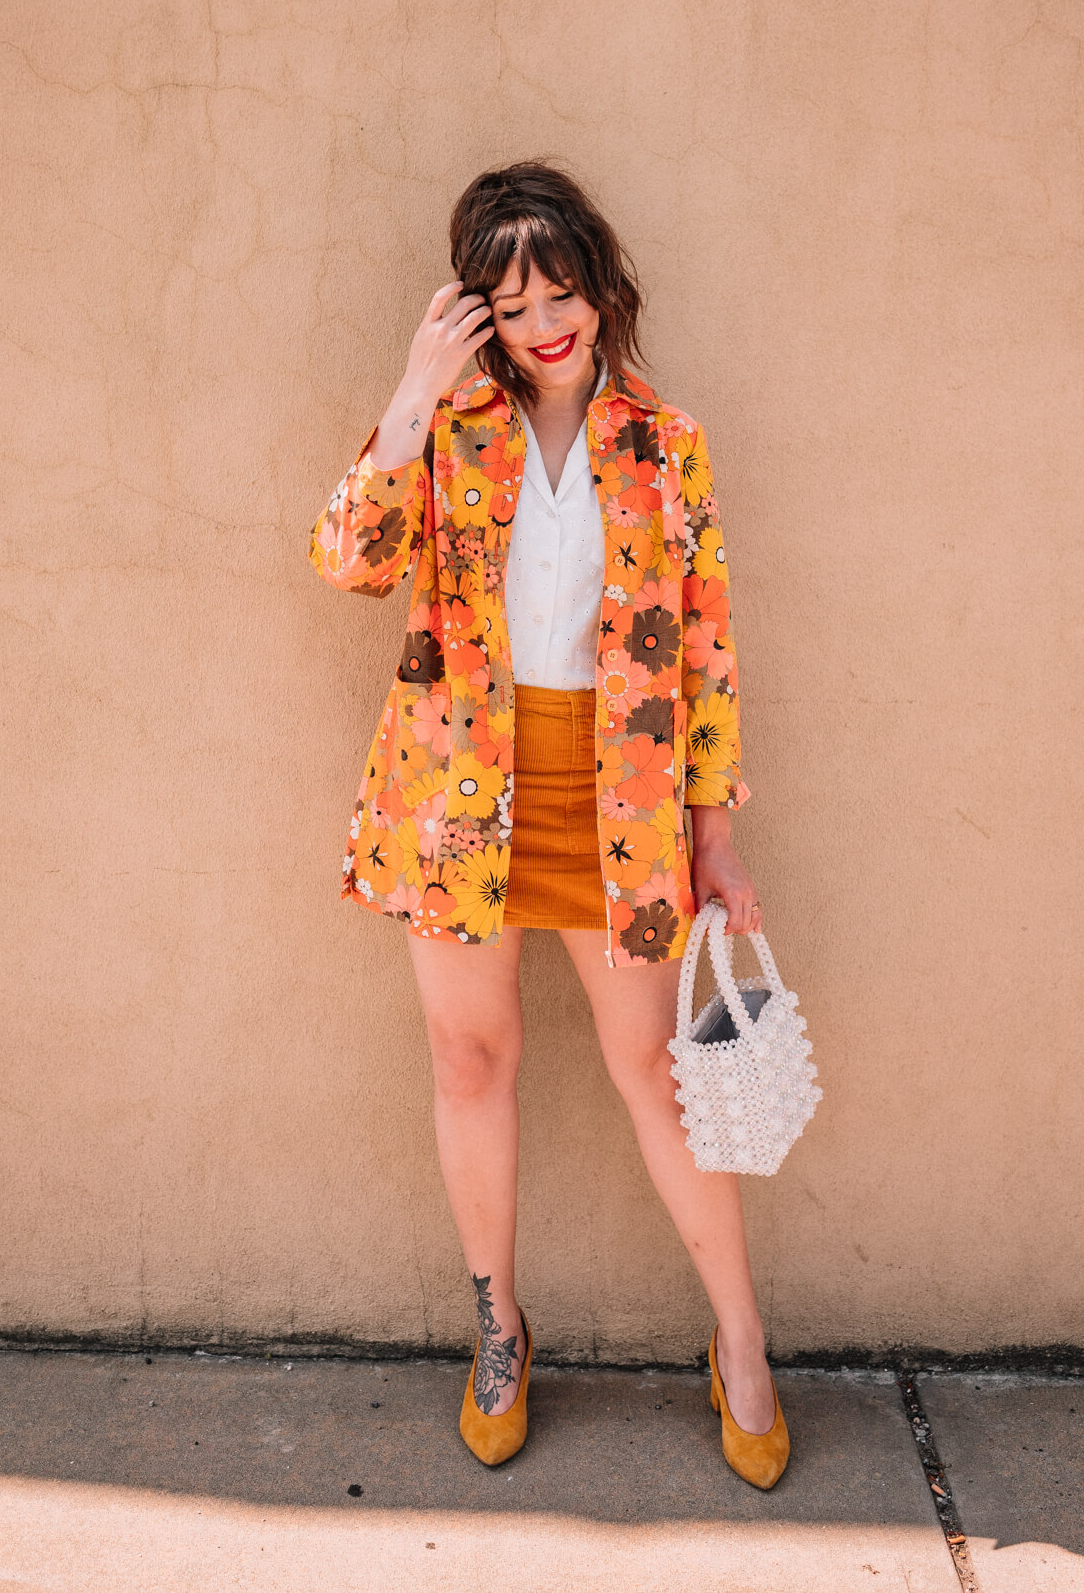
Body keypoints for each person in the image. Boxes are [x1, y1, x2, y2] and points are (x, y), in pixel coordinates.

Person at [309, 161, 789, 1488]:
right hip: (458, 800)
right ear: (480, 316)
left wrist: (716, 837)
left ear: (601, 286)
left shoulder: (666, 441)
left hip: (621, 804)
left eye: (561, 292)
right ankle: (500, 1331)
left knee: (656, 1077)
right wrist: (410, 396)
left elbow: (706, 650)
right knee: (472, 1064)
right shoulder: (452, 429)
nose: (544, 325)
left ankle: (741, 1342)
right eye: (512, 305)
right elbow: (350, 560)